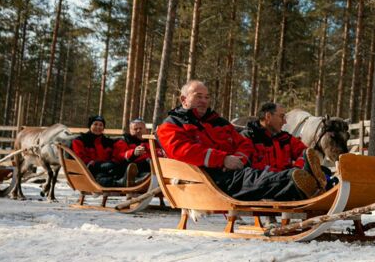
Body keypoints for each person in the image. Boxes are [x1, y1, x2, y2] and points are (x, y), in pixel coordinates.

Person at [156, 80, 325, 201]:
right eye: (198, 96)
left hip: (235, 173)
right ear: (183, 99)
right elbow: (183, 150)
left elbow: (243, 144)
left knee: (263, 177)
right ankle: (306, 184)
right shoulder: (171, 125)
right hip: (207, 179)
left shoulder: (219, 122)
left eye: (207, 97)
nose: (204, 101)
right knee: (274, 179)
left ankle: (315, 183)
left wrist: (238, 159)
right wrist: (222, 159)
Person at [242, 102, 320, 174]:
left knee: (324, 171)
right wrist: (286, 175)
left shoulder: (286, 138)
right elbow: (248, 173)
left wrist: (298, 168)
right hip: (263, 185)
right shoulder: (248, 137)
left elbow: (308, 155)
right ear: (268, 116)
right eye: (282, 116)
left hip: (288, 181)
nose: (285, 122)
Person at [72, 115, 130, 186]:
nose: (98, 127)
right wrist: (96, 164)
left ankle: (132, 179)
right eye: (95, 124)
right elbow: (80, 158)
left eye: (101, 125)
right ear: (90, 126)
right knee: (100, 177)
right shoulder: (81, 140)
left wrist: (113, 162)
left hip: (107, 169)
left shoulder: (107, 142)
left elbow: (118, 151)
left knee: (122, 165)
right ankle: (119, 183)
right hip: (88, 171)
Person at [113, 118, 158, 182]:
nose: (138, 131)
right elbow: (119, 156)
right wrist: (133, 153)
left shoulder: (153, 141)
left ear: (146, 130)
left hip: (153, 166)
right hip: (132, 167)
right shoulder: (124, 140)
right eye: (135, 129)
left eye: (140, 128)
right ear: (130, 130)